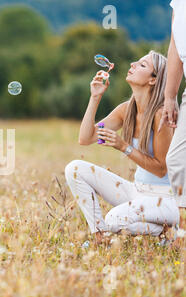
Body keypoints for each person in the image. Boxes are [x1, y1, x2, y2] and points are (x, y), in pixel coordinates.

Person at [65, 51, 179, 242]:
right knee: (74, 169)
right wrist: (95, 97)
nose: (133, 64)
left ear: (153, 80)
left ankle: (168, 230)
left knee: (114, 218)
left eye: (142, 65)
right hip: (138, 191)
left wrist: (123, 146)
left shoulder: (161, 115)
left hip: (166, 199)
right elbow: (86, 138)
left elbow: (160, 169)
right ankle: (100, 235)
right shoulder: (126, 110)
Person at [159, 0, 186, 218]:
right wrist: (170, 96)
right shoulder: (178, 4)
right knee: (177, 159)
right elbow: (175, 46)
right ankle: (183, 231)